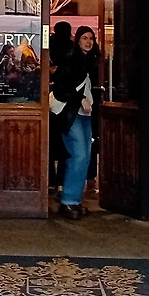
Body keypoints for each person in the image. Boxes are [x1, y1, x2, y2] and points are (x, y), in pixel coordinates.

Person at [55, 26, 100, 219]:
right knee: (80, 155)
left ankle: (74, 200)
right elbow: (59, 88)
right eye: (84, 38)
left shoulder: (91, 61)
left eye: (91, 38)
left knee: (86, 156)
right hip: (71, 114)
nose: (88, 42)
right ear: (77, 40)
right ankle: (68, 201)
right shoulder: (71, 60)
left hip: (85, 115)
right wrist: (79, 98)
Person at [47, 22, 74, 187]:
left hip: (51, 99)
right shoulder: (72, 48)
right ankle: (62, 181)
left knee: (50, 143)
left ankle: (50, 180)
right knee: (65, 143)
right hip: (67, 102)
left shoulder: (49, 44)